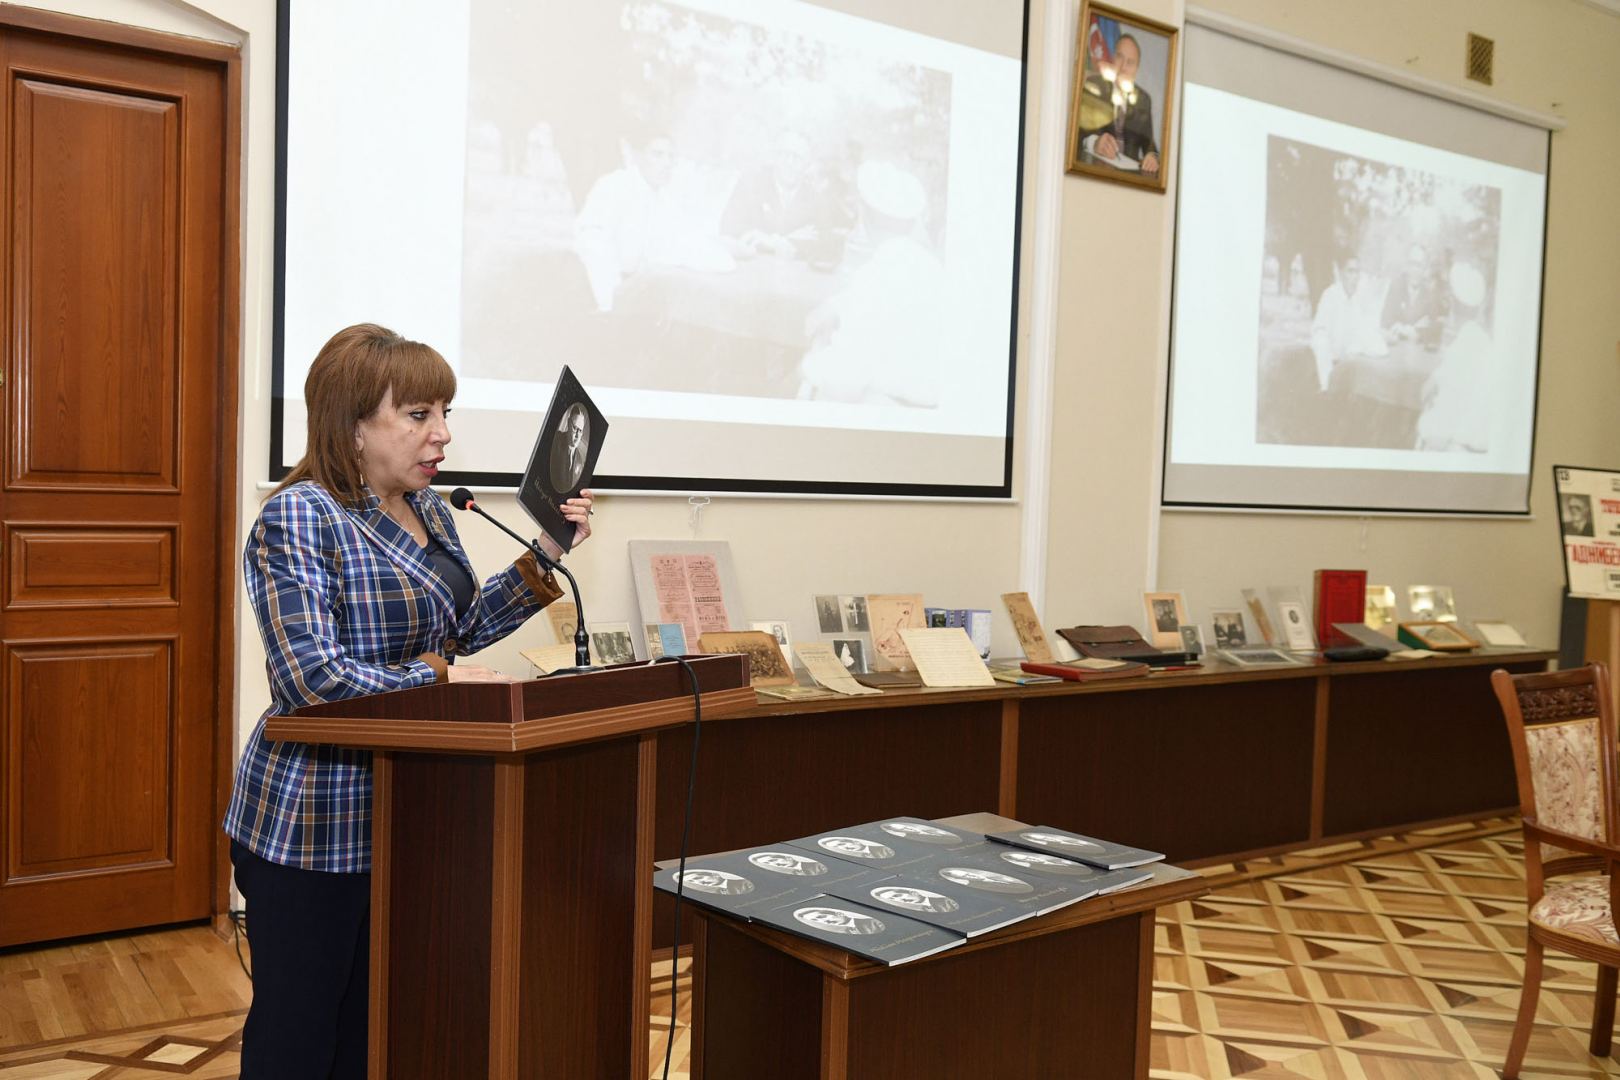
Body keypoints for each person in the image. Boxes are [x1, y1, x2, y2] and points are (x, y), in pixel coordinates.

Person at [223, 324, 594, 1079]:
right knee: (299, 1039)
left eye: (445, 413)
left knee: (377, 1033)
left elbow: (458, 632)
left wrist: (547, 553)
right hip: (316, 819)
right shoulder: (302, 515)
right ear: (353, 426)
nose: (443, 434)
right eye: (419, 415)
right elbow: (310, 680)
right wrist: (437, 679)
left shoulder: (432, 511)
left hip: (412, 808)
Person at [721, 129, 840, 262]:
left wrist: (776, 243)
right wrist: (789, 242)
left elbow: (828, 246)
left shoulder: (816, 199)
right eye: (784, 154)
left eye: (797, 157)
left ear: (807, 164)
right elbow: (728, 229)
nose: (789, 162)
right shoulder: (750, 185)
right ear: (774, 157)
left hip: (794, 273)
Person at [1416, 262, 1494, 453]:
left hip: (1455, 448)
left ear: (1450, 300)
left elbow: (1441, 416)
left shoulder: (1464, 345)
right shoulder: (1479, 339)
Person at [1078, 33, 1160, 174]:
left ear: (1137, 69)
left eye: (1130, 62)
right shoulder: (1094, 86)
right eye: (1120, 57)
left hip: (1127, 179)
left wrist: (1153, 157)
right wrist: (1094, 143)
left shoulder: (1143, 99)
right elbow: (1077, 134)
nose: (1123, 67)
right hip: (1095, 173)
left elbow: (1149, 145)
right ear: (1112, 58)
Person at [1309, 254, 1387, 391]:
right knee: (1321, 341)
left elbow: (1368, 335)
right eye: (1350, 271)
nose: (1355, 277)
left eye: (1357, 272)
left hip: (1347, 366)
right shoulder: (1330, 296)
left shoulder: (1357, 301)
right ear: (1341, 274)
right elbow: (1319, 334)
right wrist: (1328, 382)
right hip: (1328, 366)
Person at [1381, 243, 1442, 348]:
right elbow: (1385, 320)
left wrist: (1415, 332)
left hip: (1418, 351)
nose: (1415, 270)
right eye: (1412, 264)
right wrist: (1404, 329)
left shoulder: (1430, 294)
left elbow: (1435, 331)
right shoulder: (1396, 286)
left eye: (1419, 265)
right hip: (1396, 349)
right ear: (1407, 266)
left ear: (1425, 268)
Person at [549, 403, 589, 493]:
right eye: (575, 428)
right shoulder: (555, 442)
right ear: (568, 423)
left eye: (580, 431)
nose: (577, 435)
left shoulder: (579, 459)